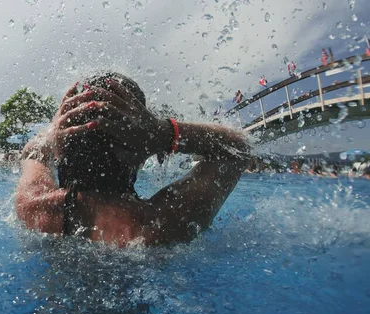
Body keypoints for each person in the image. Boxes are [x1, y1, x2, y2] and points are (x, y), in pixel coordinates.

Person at [15, 72, 250, 246]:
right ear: (139, 155)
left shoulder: (35, 210)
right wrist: (162, 133)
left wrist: (52, 133)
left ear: (60, 150)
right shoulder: (160, 226)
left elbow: (32, 153)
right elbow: (237, 149)